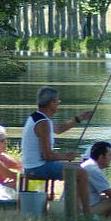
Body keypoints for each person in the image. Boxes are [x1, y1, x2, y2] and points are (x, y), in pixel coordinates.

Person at [21, 86, 93, 214]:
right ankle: (87, 213)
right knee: (82, 173)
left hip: (34, 165)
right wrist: (66, 156)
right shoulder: (42, 123)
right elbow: (47, 155)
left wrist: (79, 118)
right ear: (51, 103)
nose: (59, 104)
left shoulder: (39, 116)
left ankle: (74, 209)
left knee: (79, 168)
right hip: (38, 167)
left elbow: (59, 129)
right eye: (58, 102)